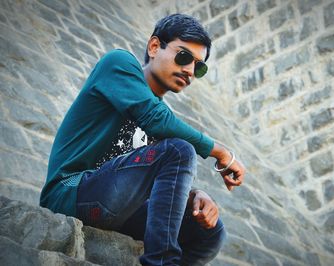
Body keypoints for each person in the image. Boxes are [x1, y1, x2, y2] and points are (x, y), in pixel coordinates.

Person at [40, 13, 245, 265]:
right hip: (71, 193)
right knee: (179, 150)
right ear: (154, 46)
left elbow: (150, 172)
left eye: (198, 66)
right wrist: (221, 152)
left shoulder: (164, 122)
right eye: (184, 57)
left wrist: (195, 195)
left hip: (119, 207)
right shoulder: (118, 64)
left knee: (209, 232)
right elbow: (155, 120)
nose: (190, 70)